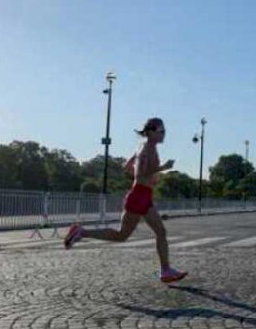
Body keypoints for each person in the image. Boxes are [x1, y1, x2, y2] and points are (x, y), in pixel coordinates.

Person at [64, 117, 187, 283]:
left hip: (142, 195)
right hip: (139, 196)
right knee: (122, 235)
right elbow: (140, 173)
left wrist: (147, 179)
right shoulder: (148, 148)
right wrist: (162, 168)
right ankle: (81, 232)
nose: (164, 134)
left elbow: (127, 167)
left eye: (164, 131)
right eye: (161, 131)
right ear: (151, 132)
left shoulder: (142, 148)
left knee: (158, 232)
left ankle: (165, 270)